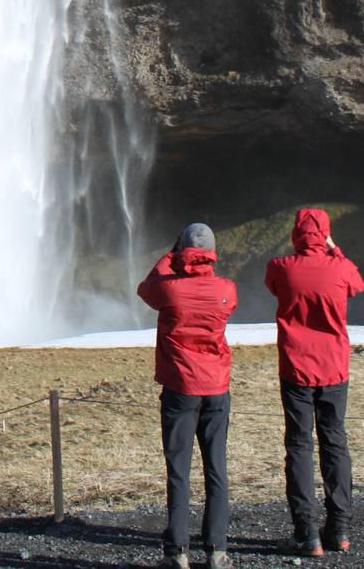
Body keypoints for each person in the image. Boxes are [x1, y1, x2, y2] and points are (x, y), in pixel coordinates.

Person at [264, 207, 364, 557]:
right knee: (335, 443)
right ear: (324, 233)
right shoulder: (341, 268)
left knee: (299, 446)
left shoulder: (281, 268)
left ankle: (307, 533)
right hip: (334, 369)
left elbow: (273, 286)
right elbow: (357, 284)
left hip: (295, 369)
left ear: (295, 234)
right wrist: (334, 249)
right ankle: (339, 530)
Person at [138, 222, 239, 569]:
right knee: (216, 469)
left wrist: (171, 256)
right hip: (216, 388)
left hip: (181, 389)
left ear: (181, 251)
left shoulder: (170, 291)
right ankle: (218, 551)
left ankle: (177, 553)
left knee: (179, 470)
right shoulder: (226, 290)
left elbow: (146, 288)